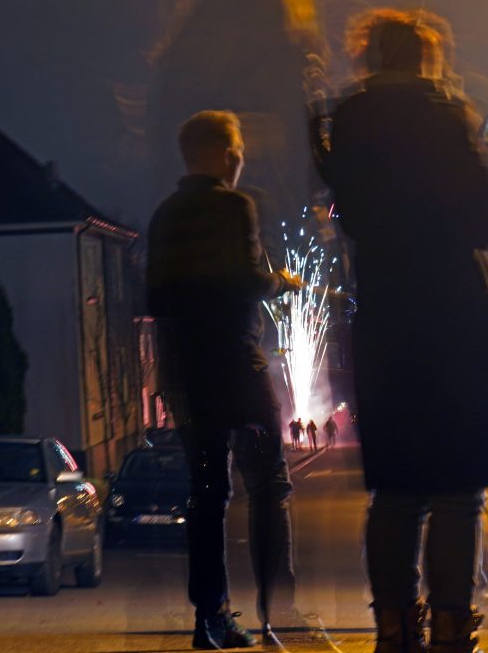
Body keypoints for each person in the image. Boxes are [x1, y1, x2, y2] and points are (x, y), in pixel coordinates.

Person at [313, 9, 488, 653]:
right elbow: (482, 223)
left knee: (397, 492)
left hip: (385, 323)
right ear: (425, 59)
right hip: (449, 323)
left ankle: (393, 629)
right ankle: (448, 628)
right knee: (454, 491)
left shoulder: (345, 126)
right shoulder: (444, 118)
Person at [147, 110, 322, 649]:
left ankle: (210, 618)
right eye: (239, 150)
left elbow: (157, 299)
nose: (243, 160)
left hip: (187, 377)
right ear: (224, 154)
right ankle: (278, 609)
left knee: (207, 494)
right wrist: (279, 281)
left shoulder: (165, 215)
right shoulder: (233, 205)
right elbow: (245, 279)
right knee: (270, 484)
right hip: (237, 370)